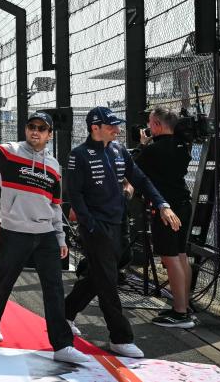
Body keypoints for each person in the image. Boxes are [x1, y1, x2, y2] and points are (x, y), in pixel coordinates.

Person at [0, 99, 89, 365]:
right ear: (25, 129)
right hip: (16, 231)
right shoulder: (9, 152)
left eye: (41, 128)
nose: (35, 131)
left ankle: (62, 344)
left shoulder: (54, 167)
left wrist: (60, 237)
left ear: (49, 134)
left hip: (46, 235)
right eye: (31, 126)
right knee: (5, 279)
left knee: (54, 288)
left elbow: (55, 207)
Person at [64, 106, 181, 358]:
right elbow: (75, 194)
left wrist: (163, 204)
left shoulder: (118, 151)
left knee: (102, 273)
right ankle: (120, 337)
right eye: (111, 126)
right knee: (108, 280)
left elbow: (140, 179)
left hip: (119, 224)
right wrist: (90, 225)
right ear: (95, 128)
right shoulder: (79, 155)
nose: (117, 130)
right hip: (96, 227)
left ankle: (65, 312)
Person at [135, 106, 194, 328]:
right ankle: (184, 306)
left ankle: (180, 313)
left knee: (170, 257)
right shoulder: (182, 146)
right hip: (183, 203)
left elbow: (135, 170)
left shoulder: (153, 150)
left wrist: (143, 145)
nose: (148, 127)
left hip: (166, 208)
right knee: (180, 254)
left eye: (150, 123)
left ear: (157, 125)